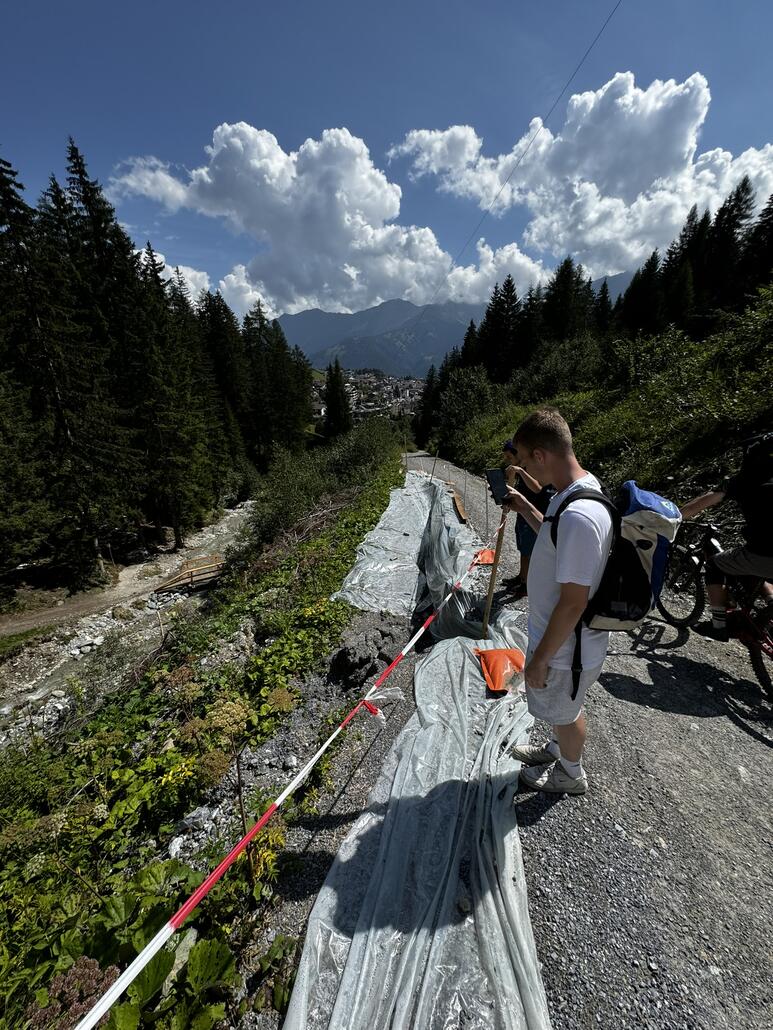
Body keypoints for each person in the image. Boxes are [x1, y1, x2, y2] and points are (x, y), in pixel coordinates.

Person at [502, 408, 613, 796]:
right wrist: (526, 509)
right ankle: (556, 750)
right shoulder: (573, 491)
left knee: (566, 712)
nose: (522, 468)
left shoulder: (580, 516)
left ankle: (571, 772)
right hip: (563, 642)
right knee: (561, 706)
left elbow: (573, 603)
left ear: (539, 455)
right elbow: (554, 536)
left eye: (522, 459)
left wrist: (540, 659)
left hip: (568, 650)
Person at [679, 434, 773, 641]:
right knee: (750, 563)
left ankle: (718, 625)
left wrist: (674, 518)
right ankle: (770, 603)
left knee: (715, 564)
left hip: (764, 552)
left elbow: (698, 505)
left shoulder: (742, 480)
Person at [501, 439, 555, 597]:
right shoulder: (520, 468)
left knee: (529, 550)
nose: (508, 460)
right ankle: (521, 577)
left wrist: (520, 471)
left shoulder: (530, 468)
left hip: (533, 512)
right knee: (523, 548)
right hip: (522, 512)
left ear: (517, 454)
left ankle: (526, 585)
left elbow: (537, 488)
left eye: (510, 457)